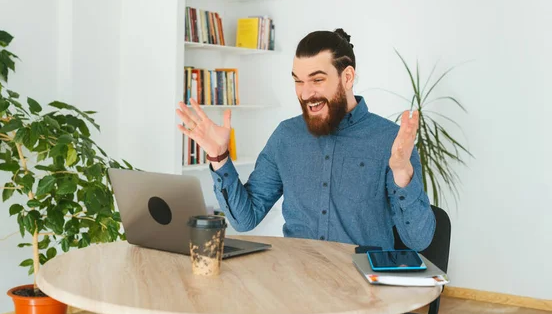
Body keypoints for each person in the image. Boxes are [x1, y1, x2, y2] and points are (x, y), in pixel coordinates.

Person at [176, 27, 435, 252]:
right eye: (298, 81)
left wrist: (402, 172)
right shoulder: (286, 137)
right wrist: (219, 157)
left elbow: (418, 240)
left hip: (363, 293)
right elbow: (246, 219)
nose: (305, 92)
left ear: (347, 77)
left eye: (317, 80)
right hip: (298, 284)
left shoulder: (390, 140)